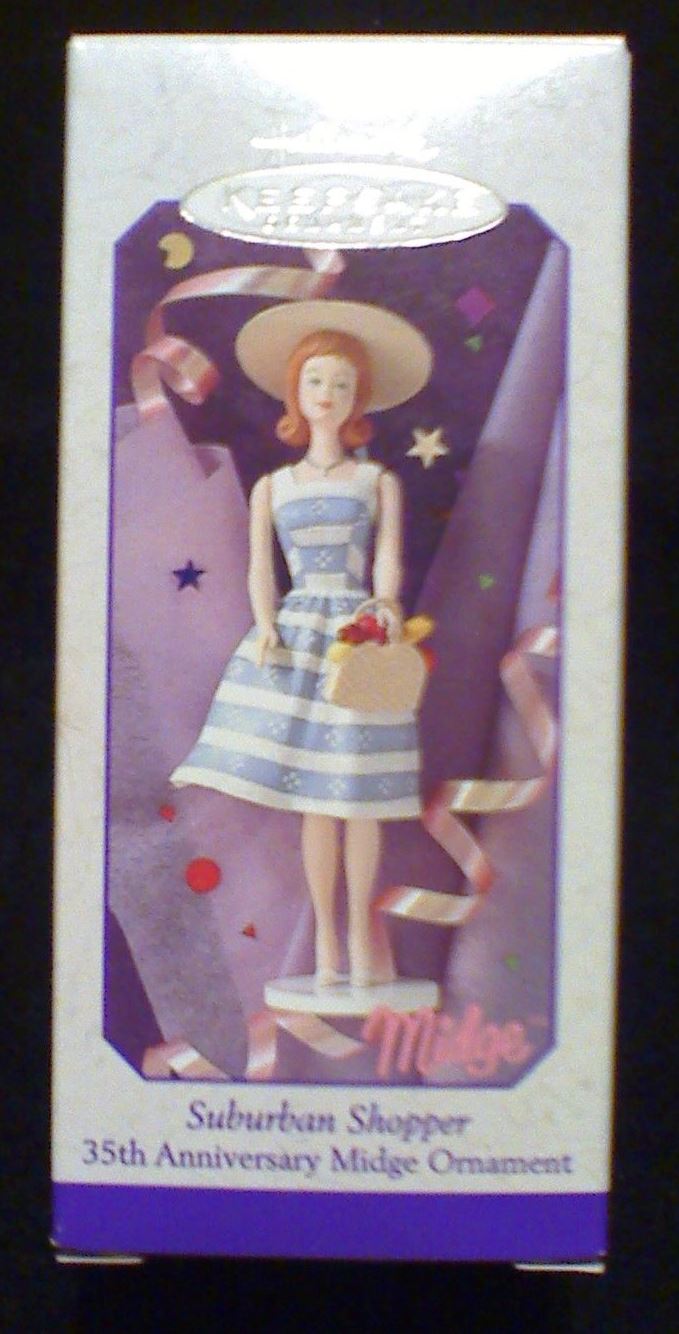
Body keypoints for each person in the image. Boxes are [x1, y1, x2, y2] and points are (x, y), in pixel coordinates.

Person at [171, 299, 432, 988]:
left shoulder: (376, 481)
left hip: (358, 636)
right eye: (316, 380)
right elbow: (261, 567)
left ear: (358, 398)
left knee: (359, 796)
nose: (328, 394)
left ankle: (362, 939)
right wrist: (265, 626)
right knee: (318, 798)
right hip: (297, 636)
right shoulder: (273, 487)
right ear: (295, 391)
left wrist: (385, 612)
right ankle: (326, 948)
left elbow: (388, 562)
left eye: (342, 384)